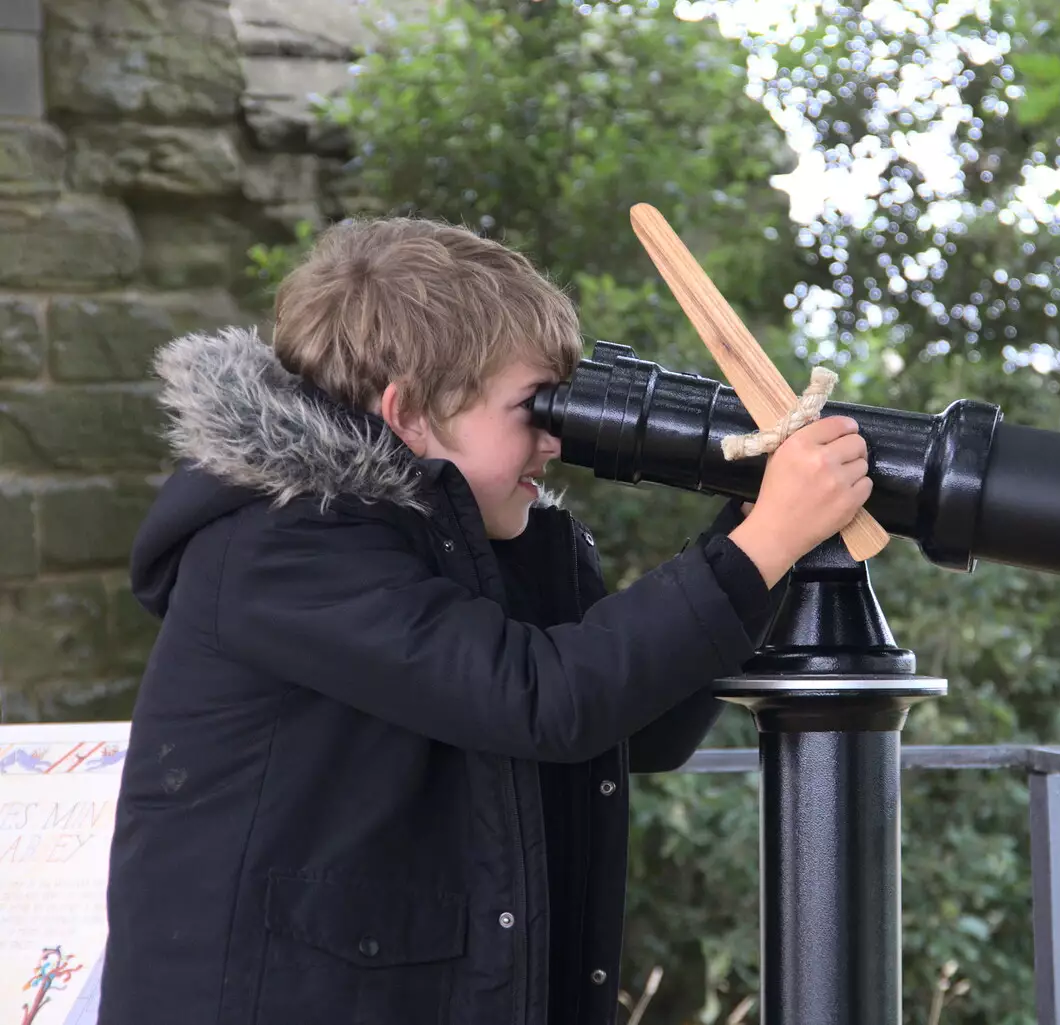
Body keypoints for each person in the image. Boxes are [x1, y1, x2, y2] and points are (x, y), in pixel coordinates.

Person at [97, 217, 872, 1025]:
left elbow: (632, 725)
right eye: (531, 408)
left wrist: (762, 535)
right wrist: (762, 543)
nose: (553, 443)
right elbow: (538, 698)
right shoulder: (278, 543)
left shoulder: (465, 547)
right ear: (411, 414)